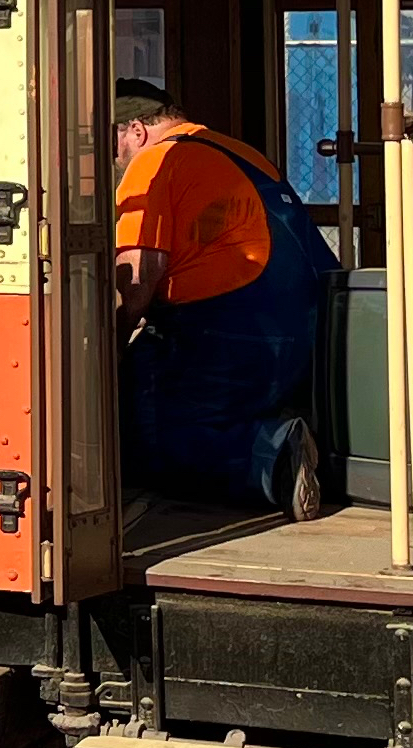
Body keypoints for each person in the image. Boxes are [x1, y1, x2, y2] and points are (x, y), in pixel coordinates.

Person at [112, 78, 335, 519]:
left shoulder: (156, 162)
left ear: (135, 131)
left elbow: (140, 277)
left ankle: (273, 459)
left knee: (142, 427)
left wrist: (106, 345)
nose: (114, 158)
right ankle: (284, 431)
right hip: (300, 333)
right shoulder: (239, 152)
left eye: (113, 143)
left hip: (226, 332)